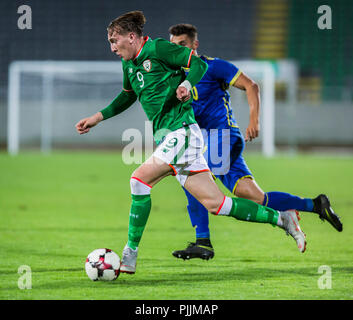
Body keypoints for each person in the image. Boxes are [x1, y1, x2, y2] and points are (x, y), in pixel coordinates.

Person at [76, 11, 307, 275]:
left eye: (114, 40)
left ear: (131, 36)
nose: (112, 47)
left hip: (182, 133)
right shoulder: (129, 64)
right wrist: (98, 117)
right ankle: (282, 218)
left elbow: (199, 65)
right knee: (218, 204)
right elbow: (128, 96)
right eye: (109, 42)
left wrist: (186, 83)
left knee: (138, 180)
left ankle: (129, 254)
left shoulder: (160, 48)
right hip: (172, 138)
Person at [168, 23, 343, 261]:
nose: (177, 49)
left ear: (194, 45)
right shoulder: (175, 77)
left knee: (191, 176)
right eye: (173, 46)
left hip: (223, 135)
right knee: (254, 195)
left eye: (183, 44)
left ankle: (203, 241)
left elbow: (251, 86)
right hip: (206, 142)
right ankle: (315, 205)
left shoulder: (214, 66)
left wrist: (254, 121)